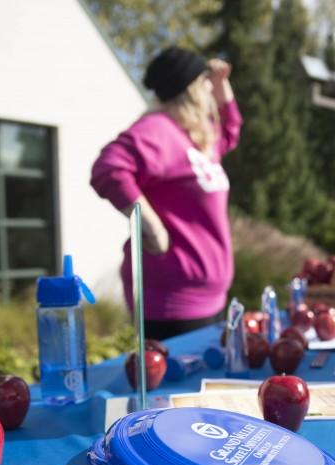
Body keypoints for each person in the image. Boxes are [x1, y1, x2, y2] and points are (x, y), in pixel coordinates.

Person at [91, 47, 242, 341]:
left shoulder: (196, 137)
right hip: (172, 306)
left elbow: (230, 132)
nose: (211, 88)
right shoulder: (157, 129)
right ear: (192, 88)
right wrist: (151, 226)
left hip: (210, 301)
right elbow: (108, 168)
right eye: (207, 81)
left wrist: (225, 89)